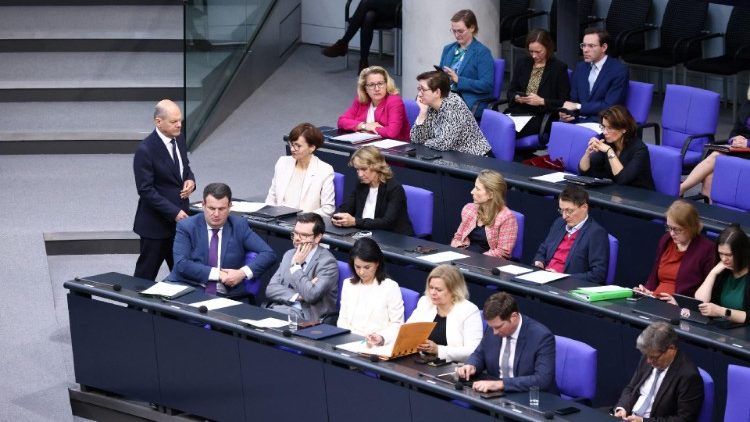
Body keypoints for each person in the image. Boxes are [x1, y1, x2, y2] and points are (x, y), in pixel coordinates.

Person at [170, 183, 276, 298]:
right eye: (211, 208)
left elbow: (268, 254)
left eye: (221, 209)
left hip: (228, 294)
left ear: (230, 206)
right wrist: (218, 274)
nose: (216, 214)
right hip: (190, 287)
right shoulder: (187, 226)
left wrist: (242, 273)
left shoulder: (239, 226)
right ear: (203, 205)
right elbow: (181, 264)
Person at [133, 99, 196, 281]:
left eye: (180, 120)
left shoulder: (180, 139)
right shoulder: (145, 150)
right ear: (158, 122)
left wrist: (191, 180)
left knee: (184, 276)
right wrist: (174, 212)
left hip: (179, 225)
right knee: (144, 278)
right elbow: (145, 190)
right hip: (155, 226)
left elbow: (185, 167)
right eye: (174, 121)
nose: (179, 125)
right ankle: (134, 310)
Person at [456, 292, 556, 393]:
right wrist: (471, 365)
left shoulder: (541, 336)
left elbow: (542, 380)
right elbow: (479, 354)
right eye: (492, 327)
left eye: (498, 327)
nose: (494, 332)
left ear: (514, 317)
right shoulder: (494, 327)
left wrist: (502, 384)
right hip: (496, 395)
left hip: (529, 396)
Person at [614, 322, 704, 421]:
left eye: (654, 357)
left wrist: (644, 421)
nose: (649, 361)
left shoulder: (688, 376)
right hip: (629, 416)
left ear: (671, 348)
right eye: (646, 355)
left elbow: (684, 419)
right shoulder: (648, 356)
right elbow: (631, 388)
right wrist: (622, 408)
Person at [394, 264, 483, 362]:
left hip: (451, 367)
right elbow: (406, 332)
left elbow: (473, 351)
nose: (432, 293)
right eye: (431, 287)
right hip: (419, 360)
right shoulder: (425, 302)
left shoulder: (469, 310)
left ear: (454, 291)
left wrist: (438, 350)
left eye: (439, 290)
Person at [264, 213, 339, 321]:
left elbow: (311, 295)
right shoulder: (289, 254)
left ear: (317, 237)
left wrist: (295, 266)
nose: (297, 239)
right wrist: (298, 296)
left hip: (306, 319)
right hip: (280, 309)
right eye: (295, 233)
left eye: (304, 235)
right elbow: (270, 289)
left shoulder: (327, 263)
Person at [635, 200, 716, 298]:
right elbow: (654, 276)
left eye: (676, 229)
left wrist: (679, 302)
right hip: (655, 299)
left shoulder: (706, 249)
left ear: (690, 227)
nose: (672, 233)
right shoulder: (666, 240)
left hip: (680, 308)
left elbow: (706, 290)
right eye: (669, 227)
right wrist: (647, 291)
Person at [679, 88, 750, 198]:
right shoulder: (747, 105)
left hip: (747, 149)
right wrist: (734, 139)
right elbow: (735, 130)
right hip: (742, 149)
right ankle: (708, 212)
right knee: (709, 177)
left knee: (716, 155)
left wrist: (748, 143)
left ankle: (680, 189)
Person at [533, 185, 609, 284]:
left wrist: (563, 277)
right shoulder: (559, 223)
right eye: (561, 210)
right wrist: (539, 262)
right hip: (544, 279)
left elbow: (598, 274)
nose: (564, 216)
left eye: (569, 211)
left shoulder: (596, 233)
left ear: (584, 207)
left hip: (567, 286)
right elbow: (543, 250)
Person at [333, 146, 414, 236]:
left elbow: (387, 222)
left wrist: (355, 221)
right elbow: (346, 207)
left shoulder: (394, 189)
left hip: (392, 237)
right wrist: (337, 216)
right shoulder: (361, 184)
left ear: (376, 166)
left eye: (364, 169)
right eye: (357, 169)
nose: (360, 174)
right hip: (365, 234)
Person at [505, 28, 570, 139]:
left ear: (548, 48)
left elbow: (564, 101)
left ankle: (505, 156)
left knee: (506, 131)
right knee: (494, 125)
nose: (534, 55)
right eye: (531, 51)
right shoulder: (522, 63)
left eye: (538, 52)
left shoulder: (558, 68)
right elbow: (511, 91)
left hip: (542, 115)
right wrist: (516, 97)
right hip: (519, 111)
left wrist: (541, 101)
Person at [337, 237, 404, 345]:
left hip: (377, 346)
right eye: (357, 267)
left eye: (367, 267)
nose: (361, 272)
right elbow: (342, 320)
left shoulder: (390, 287)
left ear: (377, 263)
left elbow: (397, 324)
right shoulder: (348, 284)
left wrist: (381, 337)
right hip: (350, 342)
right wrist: (353, 338)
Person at [410, 70, 492, 156]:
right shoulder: (429, 105)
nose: (419, 94)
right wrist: (422, 113)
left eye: (423, 90)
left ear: (437, 92)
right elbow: (416, 139)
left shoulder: (454, 105)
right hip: (451, 156)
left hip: (476, 158)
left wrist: (425, 142)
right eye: (419, 89)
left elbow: (444, 143)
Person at [265, 123, 335, 217]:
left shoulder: (325, 170)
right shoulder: (282, 162)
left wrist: (303, 218)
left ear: (312, 148)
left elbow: (328, 209)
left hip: (305, 224)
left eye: (298, 146)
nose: (292, 149)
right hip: (278, 220)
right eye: (291, 144)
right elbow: (271, 198)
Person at [560, 28, 628, 124]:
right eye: (583, 45)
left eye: (591, 46)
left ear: (604, 47)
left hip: (603, 123)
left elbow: (610, 106)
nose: (585, 50)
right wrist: (567, 113)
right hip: (577, 120)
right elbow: (573, 100)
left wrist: (579, 107)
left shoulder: (618, 70)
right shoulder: (580, 67)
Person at [579, 105, 655, 190]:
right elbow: (584, 171)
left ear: (624, 129)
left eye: (610, 128)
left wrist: (609, 151)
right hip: (613, 192)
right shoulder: (604, 139)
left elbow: (622, 179)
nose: (605, 132)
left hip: (638, 196)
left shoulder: (640, 150)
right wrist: (587, 153)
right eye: (603, 127)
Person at [438, 9, 494, 120]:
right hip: (446, 96)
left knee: (436, 112)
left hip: (467, 100)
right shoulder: (448, 49)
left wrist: (459, 80)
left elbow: (487, 85)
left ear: (472, 28)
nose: (456, 35)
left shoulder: (482, 52)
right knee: (422, 102)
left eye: (460, 31)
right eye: (453, 31)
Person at [687, 225, 748, 325]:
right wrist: (712, 274)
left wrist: (720, 311)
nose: (724, 259)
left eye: (728, 255)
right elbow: (700, 302)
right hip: (720, 328)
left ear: (742, 253)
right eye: (721, 253)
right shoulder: (722, 270)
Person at [451, 170, 518, 259]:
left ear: (491, 195)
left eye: (477, 189)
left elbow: (502, 253)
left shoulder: (507, 218)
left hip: (486, 263)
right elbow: (458, 237)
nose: (472, 191)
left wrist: (473, 259)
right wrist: (457, 252)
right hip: (464, 257)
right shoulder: (469, 209)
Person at [321, 0, 400, 72]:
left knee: (365, 2)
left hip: (398, 8)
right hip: (379, 6)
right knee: (368, 16)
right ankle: (363, 61)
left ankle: (343, 43)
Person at [337, 66, 410, 141]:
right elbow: (341, 121)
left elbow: (392, 132)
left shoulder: (394, 101)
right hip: (366, 144)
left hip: (393, 148)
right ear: (365, 88)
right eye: (371, 85)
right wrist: (364, 126)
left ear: (386, 85)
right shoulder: (361, 100)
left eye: (380, 83)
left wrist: (372, 129)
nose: (377, 89)